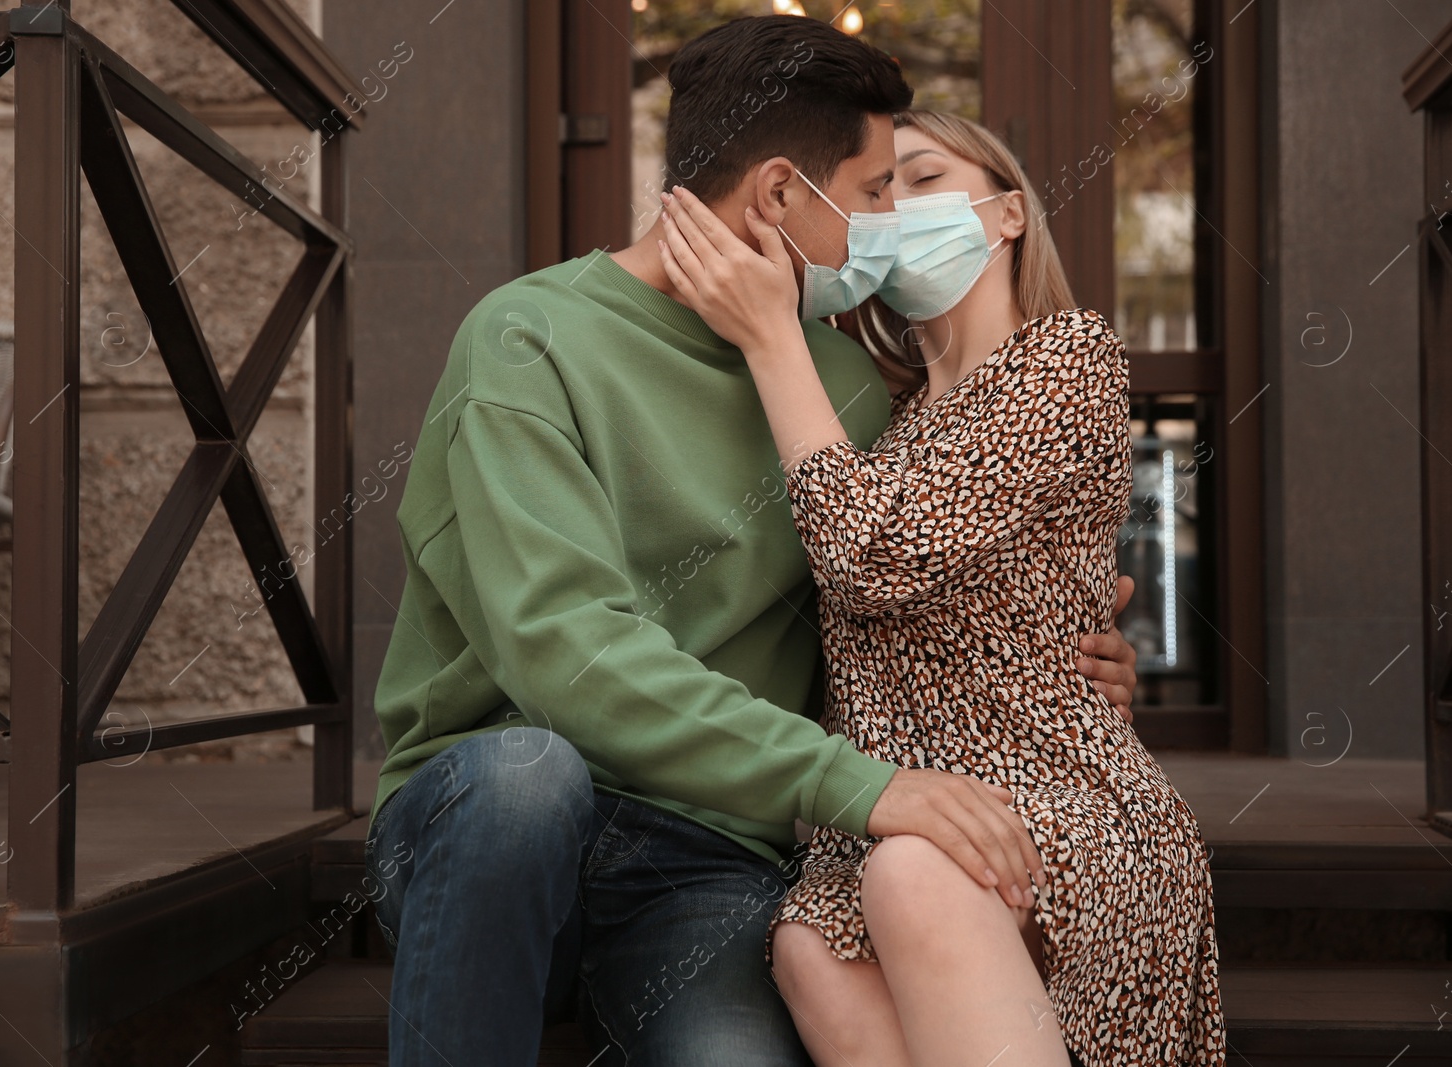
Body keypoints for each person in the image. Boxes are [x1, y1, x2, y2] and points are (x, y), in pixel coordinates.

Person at [362, 17, 1139, 1067]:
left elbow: (903, 606)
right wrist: (863, 787)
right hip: (492, 841)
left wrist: (1061, 657)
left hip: (705, 856)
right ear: (778, 194)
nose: (886, 228)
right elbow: (565, 654)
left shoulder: (851, 389)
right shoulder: (525, 340)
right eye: (872, 194)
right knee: (526, 775)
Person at [655, 109, 1227, 1066]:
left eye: (919, 179)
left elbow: (874, 558)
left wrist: (769, 339)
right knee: (809, 943)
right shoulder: (885, 423)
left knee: (918, 875)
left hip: (1057, 795)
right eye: (875, 191)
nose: (892, 211)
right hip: (892, 819)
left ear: (1006, 215)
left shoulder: (1067, 358)